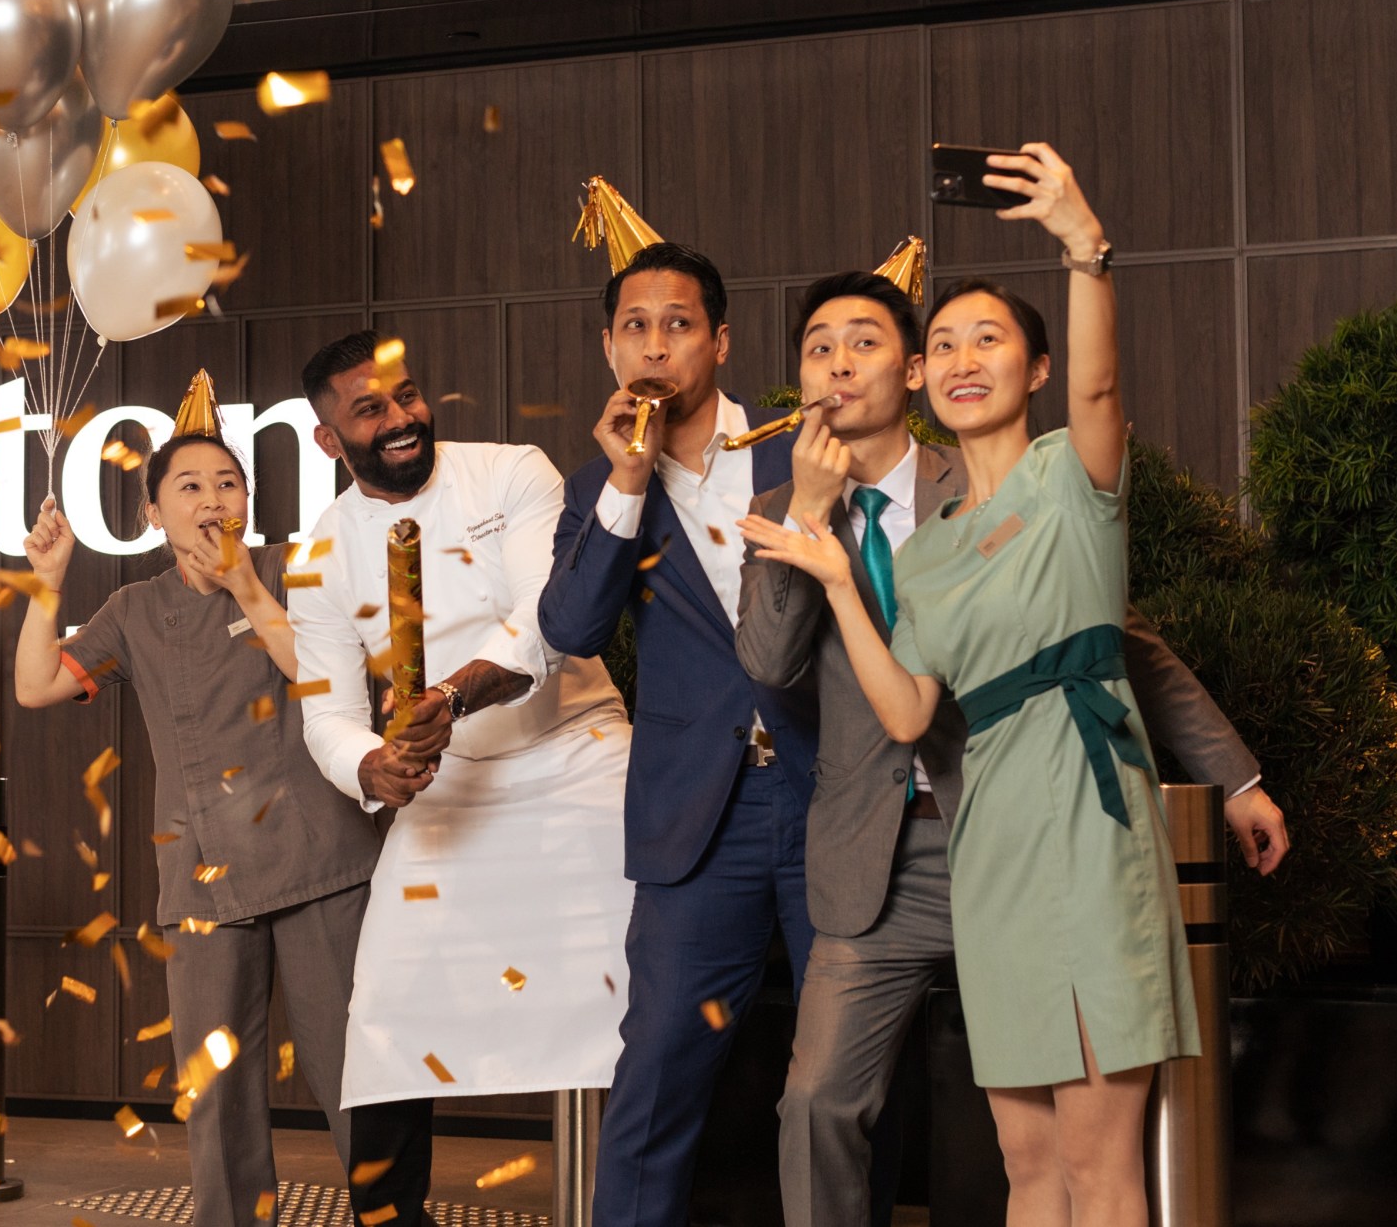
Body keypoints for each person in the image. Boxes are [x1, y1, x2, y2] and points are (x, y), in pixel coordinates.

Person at [740, 144, 1265, 1227]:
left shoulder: (1076, 474)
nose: (963, 356)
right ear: (922, 377)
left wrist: (1083, 248)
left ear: (1033, 370)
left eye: (990, 339)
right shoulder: (928, 548)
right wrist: (836, 575)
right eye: (944, 342)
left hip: (1084, 830)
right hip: (987, 858)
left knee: (1100, 1165)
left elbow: (1103, 383)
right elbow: (904, 711)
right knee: (1028, 1166)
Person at [285, 330, 633, 1227]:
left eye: (406, 396)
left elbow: (548, 618)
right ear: (329, 440)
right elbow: (324, 710)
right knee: (386, 1017)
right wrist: (372, 765)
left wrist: (447, 695)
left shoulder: (510, 470)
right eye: (369, 409)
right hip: (447, 790)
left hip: (579, 754)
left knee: (645, 993)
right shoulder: (317, 554)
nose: (401, 419)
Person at [13, 376, 379, 1227]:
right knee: (218, 1095)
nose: (212, 498)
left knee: (354, 1074)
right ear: (151, 514)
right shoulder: (133, 607)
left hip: (321, 858)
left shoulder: (294, 569)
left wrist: (249, 589)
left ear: (248, 502)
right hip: (203, 876)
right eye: (189, 485)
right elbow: (35, 685)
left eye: (228, 483)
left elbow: (328, 678)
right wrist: (47, 579)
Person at [537, 242, 820, 1226]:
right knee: (654, 1073)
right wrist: (624, 480)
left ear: (720, 341)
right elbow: (570, 627)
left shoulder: (802, 450)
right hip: (697, 818)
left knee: (845, 1091)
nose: (656, 344)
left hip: (830, 796)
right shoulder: (598, 488)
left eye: (679, 323)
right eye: (635, 326)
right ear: (610, 346)